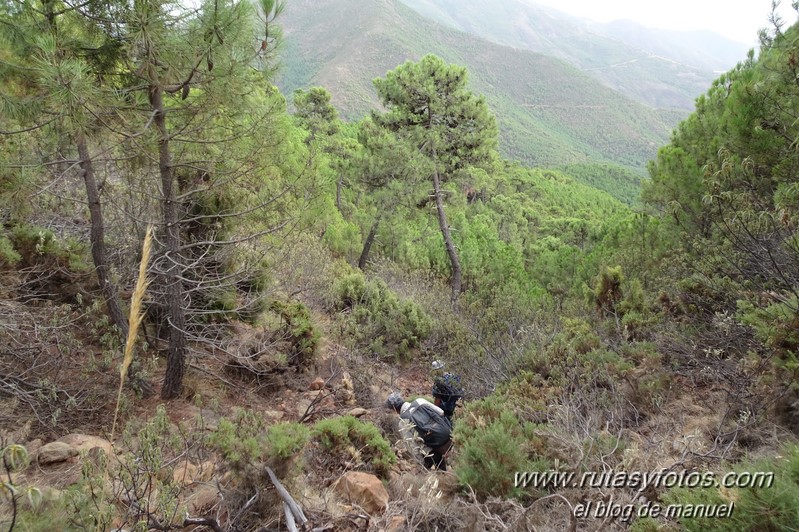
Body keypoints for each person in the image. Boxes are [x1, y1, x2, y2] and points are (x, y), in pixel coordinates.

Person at [386, 392, 452, 471]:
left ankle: (443, 474)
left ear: (394, 409)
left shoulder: (403, 421)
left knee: (431, 462)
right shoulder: (419, 401)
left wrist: (421, 464)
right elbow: (441, 412)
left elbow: (412, 446)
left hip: (436, 448)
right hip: (449, 435)